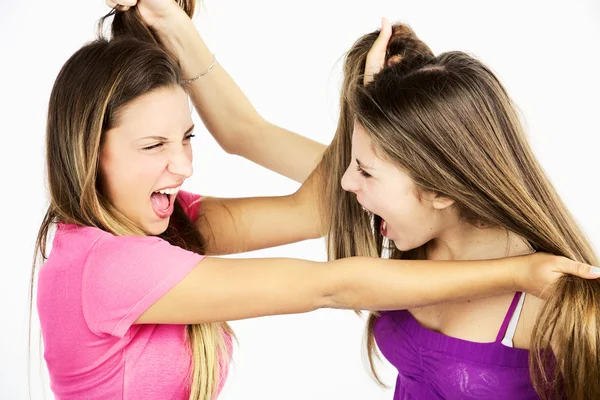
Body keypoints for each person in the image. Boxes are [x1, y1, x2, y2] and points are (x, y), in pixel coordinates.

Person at [33, 2, 597, 400]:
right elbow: (328, 282)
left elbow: (309, 205)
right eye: (154, 145)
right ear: (88, 150)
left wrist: (370, 101)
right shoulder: (107, 265)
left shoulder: (162, 225)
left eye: (186, 139)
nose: (183, 166)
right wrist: (521, 272)